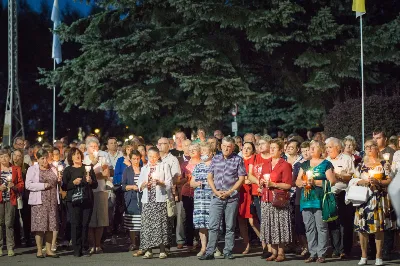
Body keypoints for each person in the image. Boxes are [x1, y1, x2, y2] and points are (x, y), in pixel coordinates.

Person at [198, 137, 246, 260]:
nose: (226, 148)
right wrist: (216, 192)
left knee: (230, 226)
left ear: (233, 147)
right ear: (221, 146)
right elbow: (209, 177)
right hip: (216, 196)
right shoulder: (215, 159)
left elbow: (241, 178)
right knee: (213, 225)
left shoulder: (238, 160)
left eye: (229, 146)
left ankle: (228, 251)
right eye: (224, 146)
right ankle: (210, 252)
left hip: (232, 197)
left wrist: (229, 192)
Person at [350, 139, 395, 266]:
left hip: (378, 197)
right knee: (362, 228)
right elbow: (354, 180)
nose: (369, 149)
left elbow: (389, 180)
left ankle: (378, 256)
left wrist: (379, 182)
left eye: (371, 146)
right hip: (363, 198)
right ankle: (363, 256)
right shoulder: (360, 164)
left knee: (378, 228)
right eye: (366, 147)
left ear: (377, 148)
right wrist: (362, 182)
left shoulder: (383, 163)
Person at [295, 140, 336, 263]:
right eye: (310, 147)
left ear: (321, 150)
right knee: (309, 227)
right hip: (306, 199)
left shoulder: (326, 164)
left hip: (320, 199)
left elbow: (332, 181)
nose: (311, 149)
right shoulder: (305, 165)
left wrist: (316, 182)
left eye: (314, 147)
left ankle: (321, 253)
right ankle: (312, 252)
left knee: (321, 227)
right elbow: (297, 181)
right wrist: (302, 183)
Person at [256, 139, 292, 262]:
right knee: (270, 225)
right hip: (266, 199)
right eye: (270, 147)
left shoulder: (285, 165)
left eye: (274, 148)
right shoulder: (266, 164)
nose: (271, 150)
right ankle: (273, 251)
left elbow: (288, 185)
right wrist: (261, 184)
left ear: (281, 150)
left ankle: (281, 252)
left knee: (279, 225)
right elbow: (261, 181)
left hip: (279, 199)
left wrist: (274, 184)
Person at [137, 147, 172, 259]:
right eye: (150, 156)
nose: (152, 159)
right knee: (148, 225)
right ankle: (148, 250)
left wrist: (160, 183)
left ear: (158, 156)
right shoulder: (144, 168)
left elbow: (169, 183)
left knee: (160, 224)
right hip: (148, 200)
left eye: (154, 156)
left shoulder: (163, 166)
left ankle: (162, 249)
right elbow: (139, 184)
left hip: (159, 200)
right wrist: (143, 185)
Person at [62, 147, 98, 257]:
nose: (77, 156)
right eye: (74, 154)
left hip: (87, 199)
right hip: (73, 201)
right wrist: (73, 183)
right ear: (71, 157)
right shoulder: (68, 170)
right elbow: (64, 186)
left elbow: (95, 185)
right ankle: (76, 248)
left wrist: (90, 181)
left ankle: (84, 246)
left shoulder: (87, 168)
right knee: (75, 224)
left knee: (85, 224)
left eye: (78, 153)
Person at [26, 149, 60, 258]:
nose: (45, 160)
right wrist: (43, 186)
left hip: (52, 200)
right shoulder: (32, 169)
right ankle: (39, 250)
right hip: (39, 201)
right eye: (42, 158)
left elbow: (58, 182)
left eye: (46, 157)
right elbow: (28, 185)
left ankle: (49, 250)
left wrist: (60, 180)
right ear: (38, 159)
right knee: (40, 226)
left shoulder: (54, 168)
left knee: (51, 226)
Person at [325, 137, 355, 259]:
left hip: (343, 194)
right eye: (326, 147)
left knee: (345, 223)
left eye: (330, 147)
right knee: (333, 222)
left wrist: (339, 176)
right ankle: (336, 249)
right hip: (329, 194)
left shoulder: (347, 159)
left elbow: (351, 176)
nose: (328, 150)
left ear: (337, 147)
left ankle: (345, 250)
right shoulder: (325, 161)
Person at [84, 137, 110, 255]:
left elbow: (106, 174)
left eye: (96, 147)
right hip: (89, 192)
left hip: (101, 190)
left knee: (101, 219)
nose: (94, 149)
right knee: (90, 220)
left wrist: (96, 175)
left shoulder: (103, 159)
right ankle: (91, 244)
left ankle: (98, 244)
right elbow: (86, 175)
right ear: (87, 148)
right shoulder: (84, 160)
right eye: (92, 147)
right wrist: (96, 173)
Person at [157, 137, 183, 250]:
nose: (161, 145)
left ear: (169, 146)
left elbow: (176, 177)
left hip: (167, 192)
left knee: (168, 218)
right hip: (156, 193)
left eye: (164, 143)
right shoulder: (154, 158)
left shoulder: (173, 160)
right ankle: (158, 241)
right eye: (160, 143)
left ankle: (167, 243)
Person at [190, 142, 214, 257]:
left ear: (211, 153)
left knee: (213, 223)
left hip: (211, 198)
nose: (204, 153)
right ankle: (203, 248)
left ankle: (213, 247)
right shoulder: (198, 166)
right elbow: (191, 183)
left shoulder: (215, 165)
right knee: (202, 224)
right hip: (200, 199)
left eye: (206, 151)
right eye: (202, 151)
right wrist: (196, 183)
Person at [0, 149, 24, 257]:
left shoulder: (15, 169)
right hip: (0, 198)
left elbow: (21, 184)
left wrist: (13, 186)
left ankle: (10, 247)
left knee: (9, 223)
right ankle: (0, 246)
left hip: (11, 198)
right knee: (0, 223)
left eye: (5, 156)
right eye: (1, 157)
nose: (3, 159)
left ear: (9, 157)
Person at [238, 142, 260, 254]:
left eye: (249, 148)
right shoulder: (238, 160)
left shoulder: (254, 160)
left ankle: (265, 242)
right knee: (241, 219)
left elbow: (254, 177)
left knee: (252, 220)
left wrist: (247, 180)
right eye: (244, 148)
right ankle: (246, 244)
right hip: (240, 192)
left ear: (253, 150)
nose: (246, 150)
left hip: (251, 192)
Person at [180, 143, 202, 250]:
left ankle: (199, 240)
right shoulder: (184, 164)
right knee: (188, 218)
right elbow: (181, 179)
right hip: (187, 193)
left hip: (200, 193)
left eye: (195, 149)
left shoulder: (203, 163)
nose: (192, 151)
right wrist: (184, 179)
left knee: (199, 217)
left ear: (200, 151)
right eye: (190, 149)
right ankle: (189, 242)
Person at [121, 150, 142, 253]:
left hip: (142, 198)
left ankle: (142, 243)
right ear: (130, 159)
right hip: (131, 198)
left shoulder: (143, 169)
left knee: (142, 220)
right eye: (134, 159)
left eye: (138, 158)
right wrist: (132, 187)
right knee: (132, 221)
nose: (136, 161)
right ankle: (133, 243)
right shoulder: (127, 170)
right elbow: (123, 186)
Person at [292, 141, 311, 257]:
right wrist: (300, 182)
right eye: (303, 151)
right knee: (299, 223)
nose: (305, 153)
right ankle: (305, 246)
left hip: (311, 195)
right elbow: (294, 181)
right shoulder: (298, 165)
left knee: (310, 223)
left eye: (307, 150)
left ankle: (313, 246)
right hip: (300, 195)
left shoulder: (315, 163)